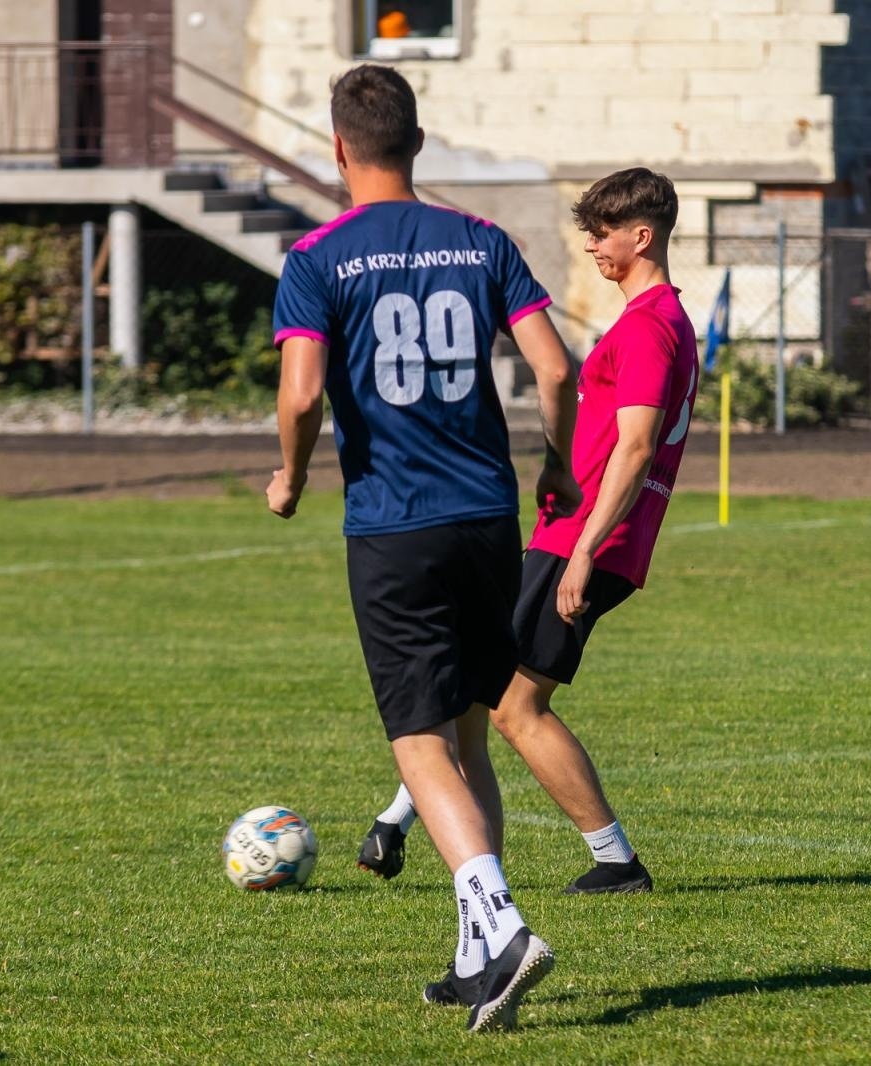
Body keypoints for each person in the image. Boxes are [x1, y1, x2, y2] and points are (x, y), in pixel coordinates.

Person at [265, 64, 580, 1033]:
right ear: (417, 140)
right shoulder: (482, 240)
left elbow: (303, 392)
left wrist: (289, 474)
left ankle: (500, 916)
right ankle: (473, 953)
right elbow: (554, 368)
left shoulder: (317, 255)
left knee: (415, 740)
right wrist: (556, 467)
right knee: (471, 728)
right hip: (485, 516)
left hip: (394, 523)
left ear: (337, 146)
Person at [358, 169, 702, 991]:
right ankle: (399, 822)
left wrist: (585, 547)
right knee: (487, 691)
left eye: (602, 232)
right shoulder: (647, 319)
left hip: (579, 543)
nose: (592, 244)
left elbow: (635, 446)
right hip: (566, 537)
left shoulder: (654, 325)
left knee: (515, 705)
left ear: (641, 236)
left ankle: (613, 860)